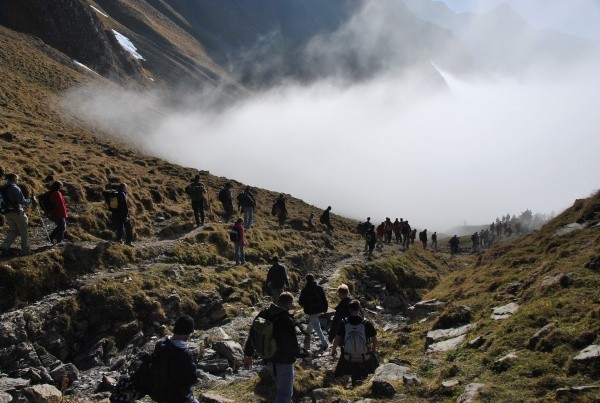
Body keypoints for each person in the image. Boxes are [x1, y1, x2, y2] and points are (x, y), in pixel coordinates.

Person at [243, 292, 309, 403]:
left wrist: (248, 354)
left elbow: (252, 335)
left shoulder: (264, 313)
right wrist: (306, 353)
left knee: (282, 391)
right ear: (289, 304)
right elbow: (291, 346)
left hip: (267, 359)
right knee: (285, 395)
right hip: (283, 362)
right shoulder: (285, 320)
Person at [331, 299, 378, 386]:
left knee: (342, 359)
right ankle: (375, 377)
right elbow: (375, 340)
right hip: (364, 356)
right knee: (375, 363)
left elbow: (337, 338)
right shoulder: (366, 323)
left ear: (349, 309)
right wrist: (373, 350)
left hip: (348, 356)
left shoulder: (344, 323)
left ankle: (339, 379)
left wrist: (333, 350)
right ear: (359, 309)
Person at [152, 315, 199, 403]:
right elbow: (192, 378)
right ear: (187, 333)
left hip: (160, 395)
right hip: (179, 397)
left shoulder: (160, 346)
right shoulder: (184, 353)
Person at [1, 173, 34, 255]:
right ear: (14, 179)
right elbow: (22, 201)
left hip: (6, 212)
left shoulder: (2, 188)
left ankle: (5, 247)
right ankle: (26, 250)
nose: (18, 181)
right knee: (24, 231)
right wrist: (30, 200)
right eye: (17, 179)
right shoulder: (15, 188)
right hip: (17, 212)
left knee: (14, 230)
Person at [298, 274, 329, 351]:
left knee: (317, 326)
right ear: (313, 279)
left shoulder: (305, 290)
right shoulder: (319, 288)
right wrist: (325, 309)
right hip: (320, 309)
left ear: (306, 280)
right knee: (313, 320)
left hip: (310, 310)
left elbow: (300, 301)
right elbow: (324, 299)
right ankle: (308, 333)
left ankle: (324, 343)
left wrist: (304, 305)